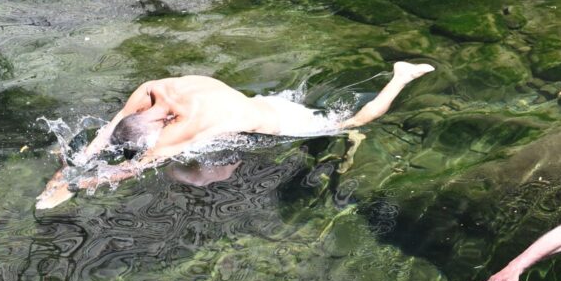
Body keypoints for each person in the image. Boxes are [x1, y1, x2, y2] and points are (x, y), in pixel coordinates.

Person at [36, 61, 435, 209]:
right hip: (256, 103)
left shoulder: (187, 127)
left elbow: (134, 169)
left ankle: (401, 75)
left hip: (282, 123)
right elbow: (112, 129)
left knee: (354, 122)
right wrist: (71, 169)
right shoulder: (152, 90)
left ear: (159, 129)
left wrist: (78, 181)